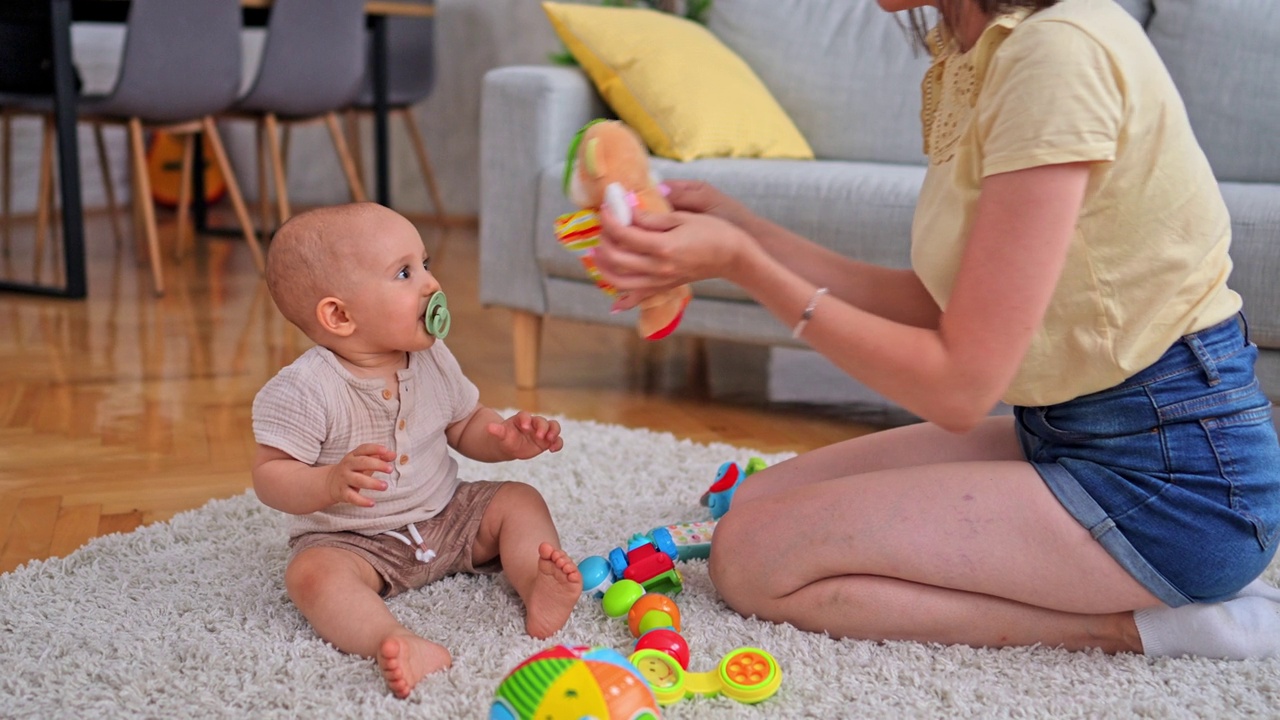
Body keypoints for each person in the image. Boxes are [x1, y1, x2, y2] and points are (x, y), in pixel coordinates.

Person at [594, 0, 1280, 659]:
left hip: (1176, 484)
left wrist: (743, 264)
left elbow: (958, 388)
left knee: (752, 560)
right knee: (758, 501)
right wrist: (744, 231)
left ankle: (1152, 629)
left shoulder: (1058, 55)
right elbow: (939, 304)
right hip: (1069, 433)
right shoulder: (986, 53)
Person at [251, 202, 581, 698]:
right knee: (311, 575)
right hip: (355, 541)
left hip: (447, 515)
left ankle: (537, 585)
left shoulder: (433, 359)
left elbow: (465, 422)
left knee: (518, 500)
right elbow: (270, 474)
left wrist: (506, 439)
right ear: (339, 315)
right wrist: (327, 481)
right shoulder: (306, 389)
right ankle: (395, 639)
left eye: (425, 264)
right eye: (404, 273)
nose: (430, 284)